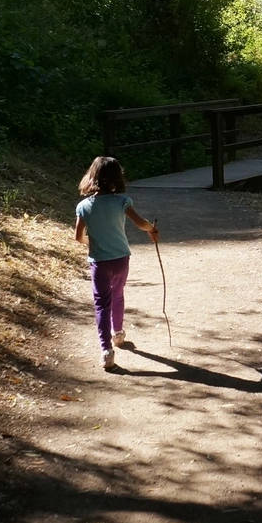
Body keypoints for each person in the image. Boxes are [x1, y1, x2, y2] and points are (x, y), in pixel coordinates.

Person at [73, 155, 159, 369]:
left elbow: (78, 236)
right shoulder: (122, 202)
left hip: (100, 262)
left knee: (102, 303)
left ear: (92, 176)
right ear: (116, 178)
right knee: (118, 294)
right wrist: (152, 229)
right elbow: (141, 223)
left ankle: (106, 350)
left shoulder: (84, 206)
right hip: (121, 258)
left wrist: (91, 243)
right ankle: (118, 333)